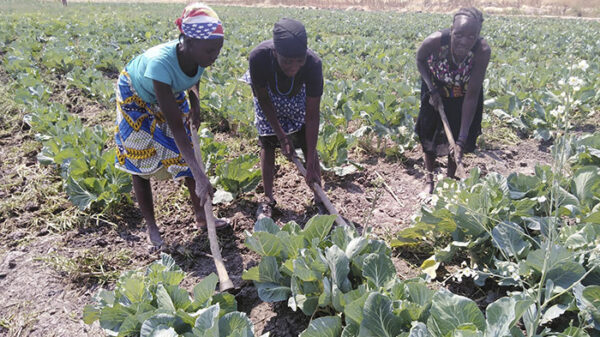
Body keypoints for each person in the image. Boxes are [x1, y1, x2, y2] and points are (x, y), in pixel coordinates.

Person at [114, 3, 227, 250]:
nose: (214, 56)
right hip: (136, 95)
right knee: (139, 161)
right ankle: (151, 226)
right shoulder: (160, 63)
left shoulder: (199, 58)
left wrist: (196, 106)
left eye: (217, 51)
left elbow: (194, 79)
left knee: (186, 158)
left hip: (168, 91)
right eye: (210, 51)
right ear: (187, 42)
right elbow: (176, 129)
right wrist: (200, 175)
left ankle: (201, 216)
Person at [242, 18, 324, 219]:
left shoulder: (313, 64)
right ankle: (268, 199)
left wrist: (311, 159)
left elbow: (312, 116)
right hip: (269, 99)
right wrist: (280, 134)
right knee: (267, 144)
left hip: (297, 100)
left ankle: (320, 198)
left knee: (307, 143)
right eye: (287, 61)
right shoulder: (259, 58)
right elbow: (262, 98)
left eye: (299, 61)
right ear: (275, 53)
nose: (294, 66)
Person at [415, 7, 491, 194]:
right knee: (430, 135)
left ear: (478, 35)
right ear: (451, 30)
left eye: (471, 37)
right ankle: (429, 180)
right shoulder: (434, 41)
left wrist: (461, 141)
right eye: (458, 35)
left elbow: (472, 95)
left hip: (464, 93)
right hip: (435, 87)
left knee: (457, 137)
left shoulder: (482, 51)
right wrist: (432, 90)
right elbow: (419, 60)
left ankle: (449, 180)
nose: (464, 41)